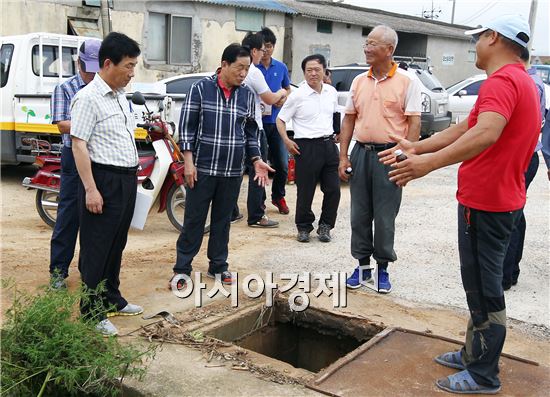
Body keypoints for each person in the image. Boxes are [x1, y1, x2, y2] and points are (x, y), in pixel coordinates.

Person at [380, 15, 540, 394]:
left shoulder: (503, 81)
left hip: (488, 203)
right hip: (492, 200)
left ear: (494, 38)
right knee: (477, 285)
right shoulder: (519, 81)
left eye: (478, 39)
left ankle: (484, 374)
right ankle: (473, 353)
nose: (475, 47)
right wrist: (416, 147)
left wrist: (425, 166)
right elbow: (468, 127)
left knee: (486, 289)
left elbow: (486, 133)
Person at [170, 44, 273, 288]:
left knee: (222, 221)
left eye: (247, 69)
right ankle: (182, 269)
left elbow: (250, 133)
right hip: (202, 169)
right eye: (239, 67)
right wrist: (188, 163)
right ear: (224, 64)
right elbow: (187, 128)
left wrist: (256, 159)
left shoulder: (247, 95)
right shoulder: (200, 89)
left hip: (232, 171)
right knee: (194, 221)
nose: (243, 73)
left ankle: (218, 266)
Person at [338, 25, 422, 293]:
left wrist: (406, 157)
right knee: (359, 215)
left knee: (385, 217)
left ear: (390, 50)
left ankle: (383, 269)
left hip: (390, 156)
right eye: (366, 43)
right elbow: (349, 118)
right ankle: (362, 267)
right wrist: (343, 156)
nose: (367, 48)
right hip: (361, 153)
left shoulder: (407, 82)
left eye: (373, 44)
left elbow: (414, 123)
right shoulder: (359, 81)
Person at [71, 32, 143, 337]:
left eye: (134, 66)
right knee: (96, 247)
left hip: (125, 179)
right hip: (103, 179)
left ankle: (111, 296)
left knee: (116, 243)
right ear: (108, 63)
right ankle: (91, 310)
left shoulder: (120, 97)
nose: (131, 72)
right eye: (128, 66)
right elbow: (78, 144)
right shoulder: (88, 98)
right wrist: (91, 188)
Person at [49, 39, 101, 289]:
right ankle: (58, 272)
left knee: (95, 217)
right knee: (68, 215)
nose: (93, 73)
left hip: (99, 157)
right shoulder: (66, 88)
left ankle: (89, 271)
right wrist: (90, 120)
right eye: (89, 67)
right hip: (72, 155)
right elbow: (61, 123)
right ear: (79, 62)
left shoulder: (104, 86)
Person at [276, 54, 340, 243]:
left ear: (324, 71)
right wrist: (287, 141)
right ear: (304, 73)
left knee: (334, 189)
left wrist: (338, 131)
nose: (313, 74)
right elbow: (281, 120)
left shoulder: (331, 92)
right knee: (306, 191)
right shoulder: (297, 96)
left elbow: (335, 112)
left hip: (328, 146)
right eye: (308, 70)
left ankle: (326, 226)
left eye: (317, 70)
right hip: (306, 147)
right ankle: (304, 227)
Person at [501, 50, 547, 290]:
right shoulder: (534, 81)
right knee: (516, 215)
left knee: (510, 216)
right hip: (528, 157)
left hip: (523, 157)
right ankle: (511, 271)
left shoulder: (528, 84)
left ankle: (506, 274)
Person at [237, 31, 287, 228]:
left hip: (237, 127)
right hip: (254, 127)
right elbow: (271, 99)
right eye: (261, 50)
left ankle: (233, 211)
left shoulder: (235, 69)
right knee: (259, 169)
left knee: (236, 170)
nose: (263, 54)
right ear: (254, 50)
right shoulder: (253, 72)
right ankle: (257, 214)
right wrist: (283, 91)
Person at [257, 27, 292, 215]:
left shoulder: (281, 67)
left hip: (277, 122)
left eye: (269, 46)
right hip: (258, 124)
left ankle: (278, 196)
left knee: (282, 163)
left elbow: (287, 88)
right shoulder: (252, 68)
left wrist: (283, 98)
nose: (266, 50)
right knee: (260, 163)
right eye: (263, 47)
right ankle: (259, 201)